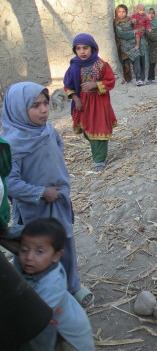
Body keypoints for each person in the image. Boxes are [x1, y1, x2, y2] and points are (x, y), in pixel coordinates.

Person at [1, 82, 94, 307]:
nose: (44, 110)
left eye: (45, 103)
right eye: (35, 105)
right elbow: (10, 183)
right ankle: (36, 298)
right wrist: (41, 192)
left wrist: (56, 176)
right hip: (36, 211)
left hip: (59, 201)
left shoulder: (48, 130)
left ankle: (72, 286)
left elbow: (58, 145)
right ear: (17, 109)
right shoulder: (12, 144)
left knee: (65, 243)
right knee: (36, 251)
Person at [18, 218, 95, 351]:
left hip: (68, 339)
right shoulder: (41, 267)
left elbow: (34, 315)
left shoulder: (52, 283)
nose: (29, 257)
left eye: (39, 252)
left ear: (56, 256)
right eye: (24, 249)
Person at [63, 33, 117, 170]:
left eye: (85, 48)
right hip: (82, 104)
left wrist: (95, 85)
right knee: (87, 130)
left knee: (99, 129)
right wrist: (76, 99)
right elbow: (67, 85)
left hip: (99, 103)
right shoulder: (74, 66)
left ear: (92, 48)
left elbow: (110, 81)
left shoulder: (101, 65)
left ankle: (99, 160)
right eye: (78, 48)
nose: (82, 51)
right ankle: (98, 152)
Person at [113, 4, 138, 85]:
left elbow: (138, 27)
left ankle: (138, 79)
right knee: (125, 65)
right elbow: (120, 34)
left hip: (132, 46)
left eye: (123, 12)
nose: (121, 14)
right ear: (116, 12)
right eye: (119, 12)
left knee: (136, 61)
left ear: (126, 12)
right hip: (122, 47)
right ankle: (127, 80)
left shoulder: (130, 20)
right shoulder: (116, 22)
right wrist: (134, 32)